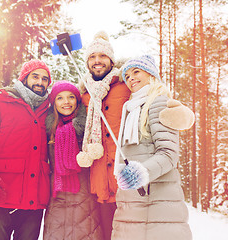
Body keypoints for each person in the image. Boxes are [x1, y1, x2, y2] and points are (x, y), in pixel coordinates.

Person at [111, 55, 193, 240]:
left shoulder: (157, 103)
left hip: (156, 198)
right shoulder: (131, 109)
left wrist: (141, 173)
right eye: (127, 76)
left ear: (151, 74)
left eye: (136, 72)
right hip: (133, 199)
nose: (131, 78)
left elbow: (169, 153)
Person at [0, 59, 52, 240]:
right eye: (35, 76)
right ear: (24, 78)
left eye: (45, 79)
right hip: (2, 194)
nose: (40, 82)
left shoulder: (49, 109)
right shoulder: (1, 101)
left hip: (34, 201)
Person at [75, 31, 131, 240]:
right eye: (92, 57)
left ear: (111, 60)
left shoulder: (126, 86)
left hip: (127, 183)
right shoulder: (84, 95)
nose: (97, 61)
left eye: (102, 56)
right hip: (101, 188)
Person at [43, 80, 103, 240]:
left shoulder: (88, 127)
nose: (66, 102)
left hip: (84, 195)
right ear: (53, 102)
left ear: (77, 100)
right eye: (60, 98)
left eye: (71, 97)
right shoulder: (48, 129)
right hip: (57, 196)